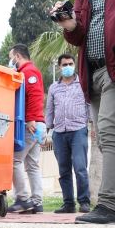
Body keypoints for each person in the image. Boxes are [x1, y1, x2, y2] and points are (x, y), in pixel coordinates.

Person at [52, 0, 115, 225]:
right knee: (108, 138)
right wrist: (68, 23)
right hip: (93, 72)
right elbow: (78, 34)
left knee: (112, 132)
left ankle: (109, 204)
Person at [45, 53, 91, 213]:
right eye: (64, 65)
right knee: (63, 170)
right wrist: (47, 130)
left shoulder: (82, 84)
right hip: (59, 132)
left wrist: (92, 126)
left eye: (70, 64)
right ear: (59, 67)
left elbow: (89, 105)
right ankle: (68, 204)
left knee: (80, 167)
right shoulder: (53, 88)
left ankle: (84, 201)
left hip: (78, 130)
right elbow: (50, 110)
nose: (67, 67)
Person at [6, 44, 46, 214]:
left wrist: (30, 119)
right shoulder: (28, 71)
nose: (11, 61)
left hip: (32, 124)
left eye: (11, 57)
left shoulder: (28, 72)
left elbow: (36, 96)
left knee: (14, 161)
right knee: (32, 165)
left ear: (17, 56)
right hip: (38, 125)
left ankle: (22, 199)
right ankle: (37, 202)